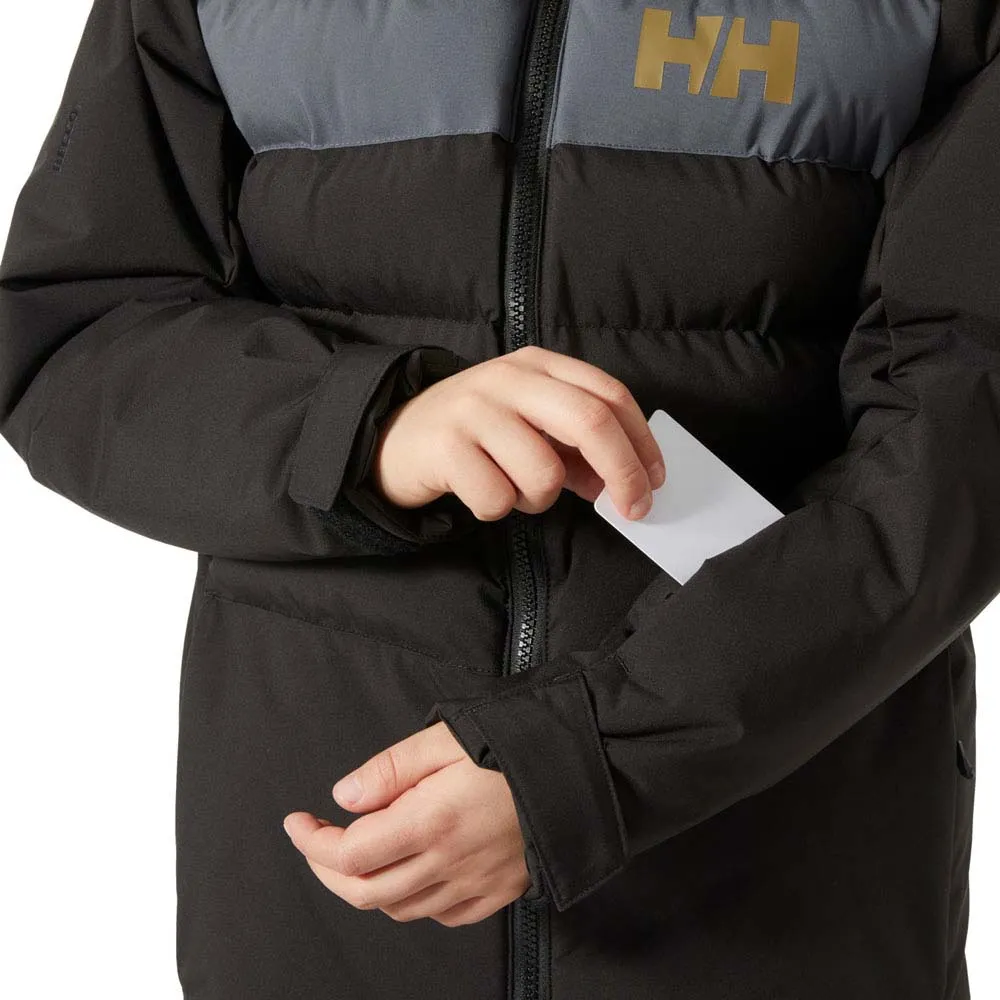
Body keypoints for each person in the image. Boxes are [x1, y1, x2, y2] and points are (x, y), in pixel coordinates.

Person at [0, 0, 996, 997]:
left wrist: (588, 761)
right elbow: (75, 330)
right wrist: (367, 429)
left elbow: (961, 432)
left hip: (777, 875)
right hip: (334, 881)